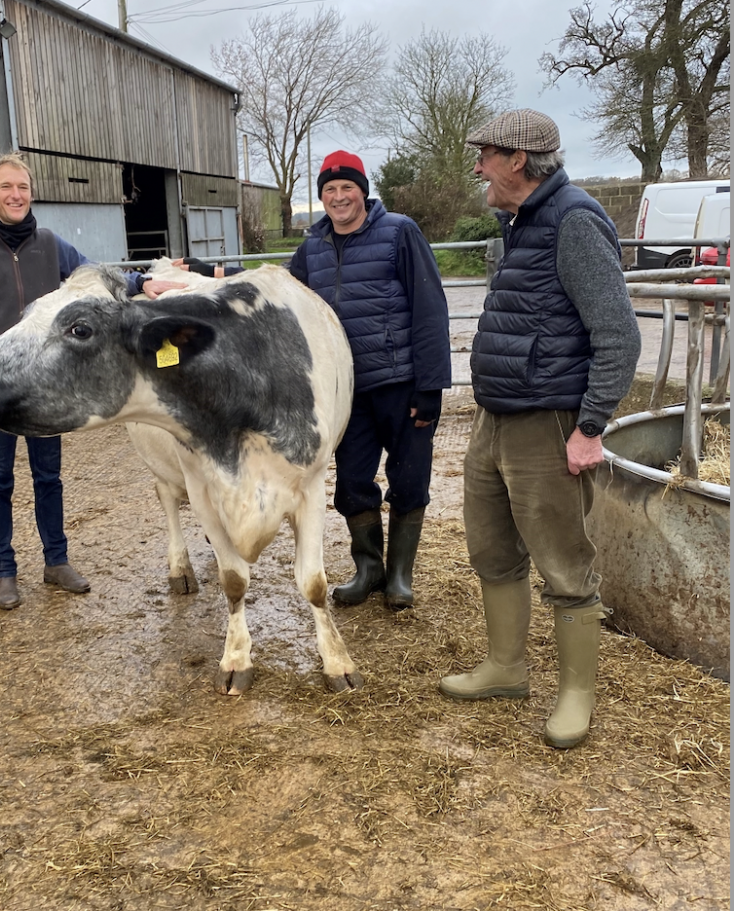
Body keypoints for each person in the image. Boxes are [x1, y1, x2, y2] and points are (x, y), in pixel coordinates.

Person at [438, 110, 641, 749]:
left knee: (563, 560)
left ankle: (576, 693)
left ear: (518, 160)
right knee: (492, 547)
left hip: (549, 423)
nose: (478, 167)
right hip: (496, 418)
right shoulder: (524, 222)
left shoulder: (573, 220)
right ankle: (506, 668)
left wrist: (589, 427)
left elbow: (619, 335)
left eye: (486, 155)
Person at [180, 151, 451, 609]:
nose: (339, 197)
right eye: (330, 190)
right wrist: (209, 276)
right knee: (352, 482)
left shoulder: (399, 233)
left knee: (408, 477)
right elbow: (276, 290)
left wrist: (430, 386)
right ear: (322, 196)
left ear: (362, 191)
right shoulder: (315, 246)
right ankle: (369, 569)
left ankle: (400, 575)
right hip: (342, 390)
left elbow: (430, 308)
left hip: (400, 380)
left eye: (347, 188)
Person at [0, 152, 183, 609]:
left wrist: (141, 283)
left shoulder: (50, 244)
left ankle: (56, 561)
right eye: (7, 187)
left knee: (48, 476)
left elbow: (96, 276)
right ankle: (4, 572)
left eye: (24, 188)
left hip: (45, 383)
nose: (17, 195)